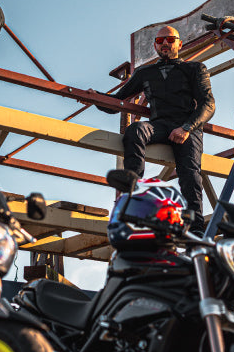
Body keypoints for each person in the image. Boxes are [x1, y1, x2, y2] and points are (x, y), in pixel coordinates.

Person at [89, 26, 215, 231]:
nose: (165, 43)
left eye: (170, 39)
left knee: (190, 173)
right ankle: (136, 198)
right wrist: (95, 97)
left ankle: (196, 227)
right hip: (159, 125)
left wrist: (186, 128)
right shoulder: (145, 73)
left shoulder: (195, 69)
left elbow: (208, 104)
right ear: (155, 46)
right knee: (135, 130)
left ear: (179, 44)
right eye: (160, 41)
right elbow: (117, 102)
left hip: (187, 126)